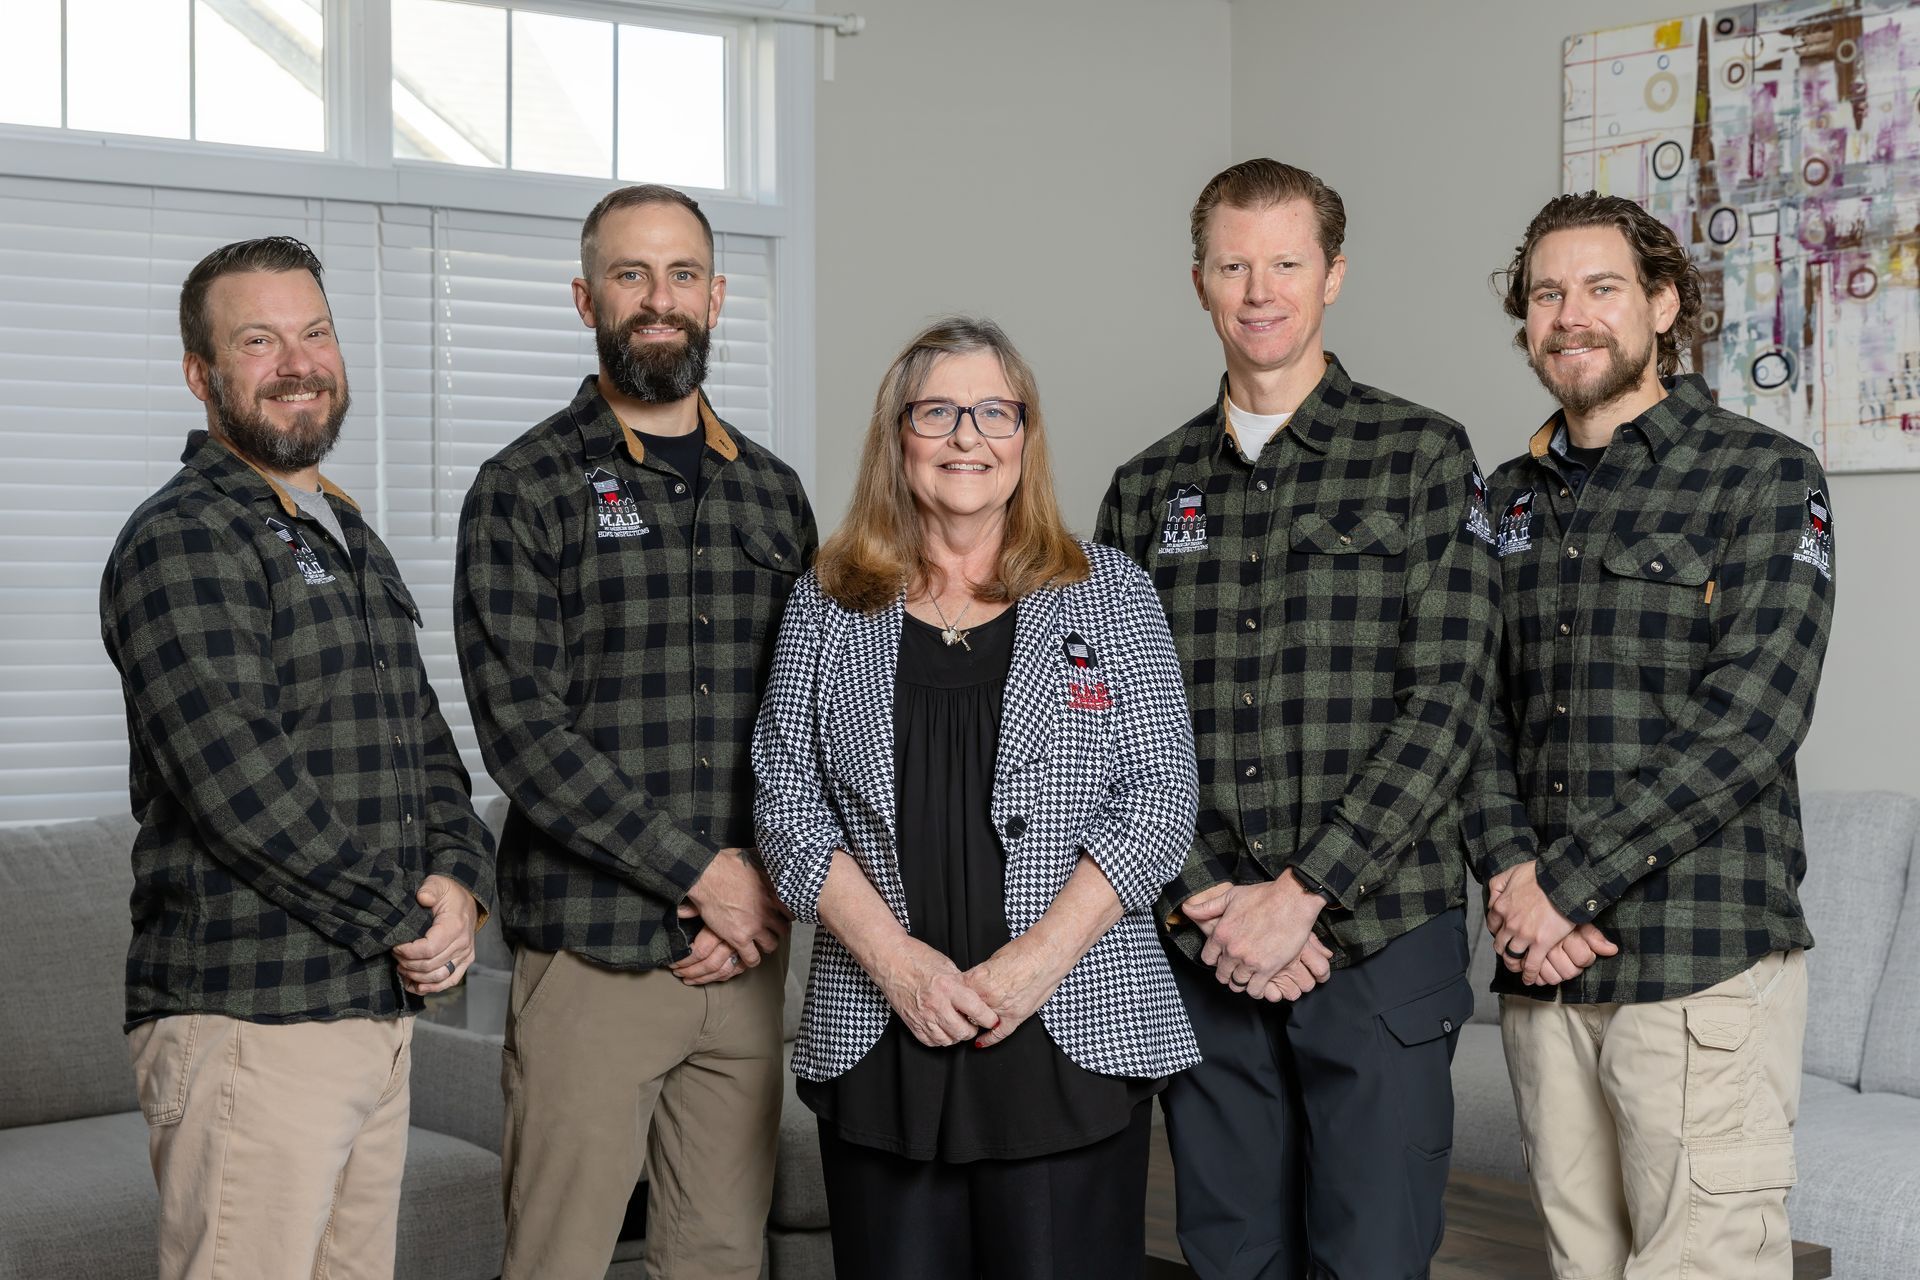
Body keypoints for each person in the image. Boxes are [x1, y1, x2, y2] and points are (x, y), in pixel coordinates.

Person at [1096, 158, 1503, 1279]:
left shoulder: (1425, 455)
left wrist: (1306, 892)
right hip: (1206, 945)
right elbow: (1108, 720)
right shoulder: (1144, 488)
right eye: (1234, 264)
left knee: (1372, 1258)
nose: (1259, 289)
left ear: (1333, 276)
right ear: (1198, 282)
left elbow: (1450, 698)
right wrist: (1205, 902)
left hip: (1378, 945)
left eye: (1285, 262)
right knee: (1227, 1256)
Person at [753, 317, 1200, 1279]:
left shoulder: (1107, 592)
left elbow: (1161, 797)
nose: (969, 436)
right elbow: (787, 804)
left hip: (1067, 1023)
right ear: (897, 436)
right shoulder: (829, 600)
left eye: (996, 411)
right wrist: (898, 962)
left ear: (1026, 438)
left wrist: (1037, 964)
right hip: (885, 1027)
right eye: (940, 411)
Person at [100, 236, 494, 1280]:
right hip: (253, 1018)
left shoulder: (346, 533)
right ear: (204, 373)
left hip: (370, 1008)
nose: (298, 362)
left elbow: (427, 749)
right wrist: (410, 922)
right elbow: (241, 786)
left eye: (314, 332)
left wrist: (460, 880)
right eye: (260, 340)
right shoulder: (183, 538)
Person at [454, 184, 816, 1280]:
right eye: (631, 275)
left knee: (719, 1256)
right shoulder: (524, 488)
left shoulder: (775, 496)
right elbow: (524, 734)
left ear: (717, 296)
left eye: (683, 274)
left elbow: (804, 717)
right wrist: (704, 872)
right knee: (558, 1257)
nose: (659, 300)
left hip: (745, 955)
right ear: (586, 297)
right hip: (593, 952)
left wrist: (754, 881)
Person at [1476, 192, 1833, 1280]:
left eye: (1600, 288)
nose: (1570, 315)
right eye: (1547, 293)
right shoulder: (1502, 499)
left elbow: (1753, 716)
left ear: (1663, 303)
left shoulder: (1765, 476)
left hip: (1698, 963)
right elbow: (1468, 708)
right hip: (1545, 975)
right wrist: (1508, 873)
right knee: (1582, 1265)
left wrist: (1563, 886)